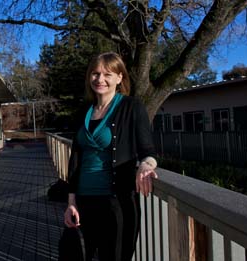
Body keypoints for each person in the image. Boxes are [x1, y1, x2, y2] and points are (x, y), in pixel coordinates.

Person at [64, 52, 158, 261]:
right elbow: (76, 158)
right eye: (95, 74)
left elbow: (147, 150)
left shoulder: (131, 107)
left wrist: (146, 165)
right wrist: (71, 201)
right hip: (84, 201)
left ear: (119, 78)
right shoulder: (84, 111)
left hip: (115, 203)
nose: (100, 79)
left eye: (108, 74)